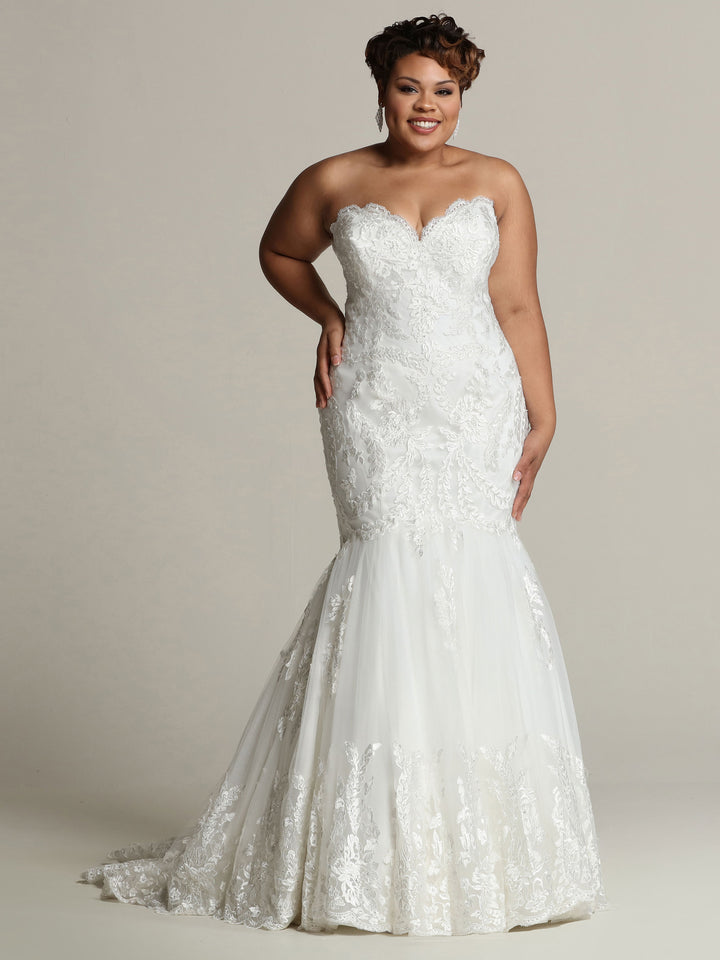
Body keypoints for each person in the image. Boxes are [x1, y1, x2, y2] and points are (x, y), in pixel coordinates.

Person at [79, 13, 611, 936]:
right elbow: (279, 252)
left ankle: (476, 851)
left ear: (464, 94)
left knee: (472, 581)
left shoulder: (498, 180)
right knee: (386, 581)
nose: (427, 106)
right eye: (411, 87)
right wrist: (327, 315)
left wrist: (545, 409)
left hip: (474, 405)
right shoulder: (334, 179)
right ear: (381, 88)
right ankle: (368, 855)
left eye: (444, 90)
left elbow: (518, 300)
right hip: (376, 407)